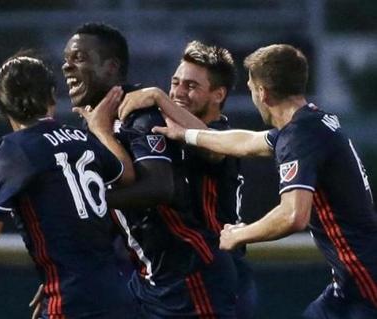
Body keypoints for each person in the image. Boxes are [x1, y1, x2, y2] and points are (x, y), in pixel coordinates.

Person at [150, 43, 377, 319]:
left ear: (262, 92)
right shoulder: (312, 122)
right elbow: (245, 141)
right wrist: (185, 135)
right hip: (348, 285)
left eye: (251, 87)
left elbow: (293, 215)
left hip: (366, 282)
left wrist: (240, 234)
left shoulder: (299, 136)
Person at [0, 53, 139, 318]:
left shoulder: (16, 149)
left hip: (70, 300)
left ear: (1, 105)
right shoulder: (79, 137)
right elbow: (126, 174)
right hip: (117, 294)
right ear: (52, 97)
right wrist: (101, 131)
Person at [63, 22, 238, 317]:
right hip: (150, 276)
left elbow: (160, 186)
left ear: (110, 67)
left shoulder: (145, 116)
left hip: (192, 273)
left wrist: (89, 201)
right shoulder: (102, 120)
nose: (67, 67)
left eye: (78, 58)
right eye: (175, 83)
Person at [117, 40, 257, 318]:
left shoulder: (221, 135)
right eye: (175, 82)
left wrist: (159, 97)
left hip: (213, 271)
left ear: (218, 94)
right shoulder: (171, 127)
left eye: (191, 86)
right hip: (168, 274)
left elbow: (213, 148)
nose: (178, 92)